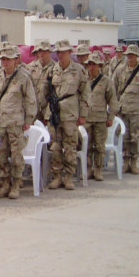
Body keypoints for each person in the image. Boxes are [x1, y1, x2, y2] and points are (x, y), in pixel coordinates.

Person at [0, 46, 37, 199]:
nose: (5, 62)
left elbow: (30, 99)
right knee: (1, 156)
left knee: (16, 156)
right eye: (3, 59)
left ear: (15, 60)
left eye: (8, 59)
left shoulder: (23, 77)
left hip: (15, 122)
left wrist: (29, 119)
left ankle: (16, 184)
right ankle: (5, 184)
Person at [43, 39, 90, 190]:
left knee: (70, 146)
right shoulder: (52, 71)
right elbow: (45, 92)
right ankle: (57, 176)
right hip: (55, 114)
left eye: (63, 52)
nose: (60, 55)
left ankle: (69, 176)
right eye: (58, 52)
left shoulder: (79, 70)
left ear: (70, 52)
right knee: (55, 146)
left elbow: (85, 94)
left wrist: (83, 114)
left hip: (70, 114)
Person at [84, 53, 118, 181]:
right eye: (90, 64)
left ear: (99, 65)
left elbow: (112, 100)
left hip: (100, 118)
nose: (92, 67)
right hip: (86, 118)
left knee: (99, 146)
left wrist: (111, 117)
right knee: (86, 145)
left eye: (94, 64)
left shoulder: (106, 81)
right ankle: (88, 168)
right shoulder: (83, 80)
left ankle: (98, 169)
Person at [114, 44, 139, 174]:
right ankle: (125, 161)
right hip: (122, 109)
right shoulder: (120, 70)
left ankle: (134, 162)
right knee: (123, 136)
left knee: (135, 137)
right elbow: (113, 88)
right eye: (129, 55)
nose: (130, 57)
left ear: (137, 56)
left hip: (136, 110)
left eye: (133, 55)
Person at [29, 39, 55, 122]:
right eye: (39, 51)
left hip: (48, 110)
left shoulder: (55, 68)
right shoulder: (30, 68)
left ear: (49, 52)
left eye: (45, 51)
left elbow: (56, 93)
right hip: (32, 110)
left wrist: (48, 115)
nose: (41, 53)